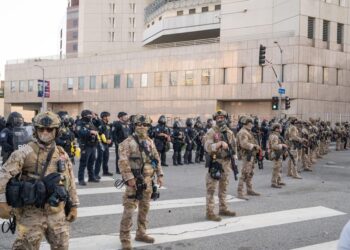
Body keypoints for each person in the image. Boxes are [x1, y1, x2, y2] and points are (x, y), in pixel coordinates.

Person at [0, 111, 79, 250]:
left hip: (56, 211)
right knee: (25, 247)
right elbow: (3, 176)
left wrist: (73, 206)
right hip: (31, 211)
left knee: (62, 246)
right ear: (35, 130)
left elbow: (70, 181)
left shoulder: (61, 153)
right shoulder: (24, 151)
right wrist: (2, 202)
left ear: (57, 131)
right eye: (41, 128)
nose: (45, 132)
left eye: (50, 129)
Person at [118, 114, 164, 250]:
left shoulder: (150, 141)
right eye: (139, 124)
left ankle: (141, 233)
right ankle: (125, 238)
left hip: (149, 182)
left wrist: (160, 174)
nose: (142, 127)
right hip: (134, 182)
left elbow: (156, 158)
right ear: (134, 126)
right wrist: (129, 178)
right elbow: (123, 161)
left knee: (145, 208)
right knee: (129, 210)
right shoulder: (127, 142)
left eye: (145, 125)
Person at [204, 110, 237, 221]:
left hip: (226, 163)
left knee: (224, 187)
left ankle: (223, 208)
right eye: (218, 117)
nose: (220, 119)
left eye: (222, 117)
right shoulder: (212, 131)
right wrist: (219, 144)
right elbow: (207, 147)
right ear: (215, 119)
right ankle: (210, 212)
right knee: (211, 188)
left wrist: (233, 158)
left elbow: (233, 146)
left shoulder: (229, 132)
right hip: (216, 162)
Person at [236, 116, 261, 200]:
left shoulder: (248, 131)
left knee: (250, 173)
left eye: (251, 123)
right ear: (245, 123)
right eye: (250, 123)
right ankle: (240, 192)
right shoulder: (243, 132)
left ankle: (249, 190)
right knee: (244, 173)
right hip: (247, 155)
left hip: (251, 155)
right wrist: (254, 146)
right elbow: (244, 144)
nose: (251, 125)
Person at [76, 109, 100, 185]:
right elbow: (80, 133)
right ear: (84, 116)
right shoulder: (80, 123)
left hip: (93, 145)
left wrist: (96, 117)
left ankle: (91, 177)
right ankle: (81, 179)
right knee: (83, 163)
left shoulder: (90, 122)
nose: (90, 116)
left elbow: (99, 125)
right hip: (85, 145)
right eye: (89, 115)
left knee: (91, 162)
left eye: (91, 115)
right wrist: (90, 132)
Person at [94, 111, 113, 178]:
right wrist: (104, 140)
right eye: (108, 116)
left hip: (106, 144)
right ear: (104, 117)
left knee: (106, 158)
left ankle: (105, 172)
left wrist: (110, 139)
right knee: (100, 159)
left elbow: (110, 133)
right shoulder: (100, 124)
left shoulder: (107, 124)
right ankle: (95, 174)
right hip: (100, 143)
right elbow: (99, 133)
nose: (109, 117)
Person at [268, 123, 288, 188]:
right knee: (276, 168)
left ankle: (278, 180)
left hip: (278, 153)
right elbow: (274, 146)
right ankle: (274, 182)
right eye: (280, 128)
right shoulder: (274, 136)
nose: (281, 129)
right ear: (277, 129)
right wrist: (282, 145)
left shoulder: (276, 135)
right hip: (276, 153)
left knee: (279, 168)